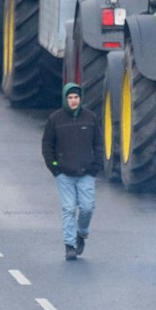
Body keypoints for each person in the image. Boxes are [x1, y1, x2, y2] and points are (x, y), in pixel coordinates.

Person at [42, 82, 102, 259]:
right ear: (65, 99)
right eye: (70, 97)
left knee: (87, 207)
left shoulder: (90, 118)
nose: (73, 101)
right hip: (64, 174)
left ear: (80, 99)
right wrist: (55, 167)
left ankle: (81, 233)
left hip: (86, 173)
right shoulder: (55, 119)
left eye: (76, 97)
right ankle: (69, 245)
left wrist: (96, 166)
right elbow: (47, 145)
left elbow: (99, 144)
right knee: (68, 209)